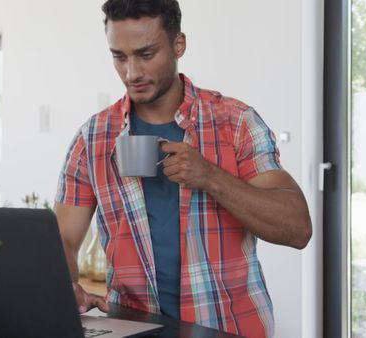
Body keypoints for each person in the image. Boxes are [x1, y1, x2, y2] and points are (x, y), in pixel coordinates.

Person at [54, 1, 312, 337]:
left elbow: (297, 228)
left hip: (230, 328)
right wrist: (65, 283)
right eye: (119, 56)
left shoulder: (236, 123)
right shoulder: (93, 139)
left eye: (146, 54)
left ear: (179, 45)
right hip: (134, 329)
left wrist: (210, 177)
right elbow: (61, 237)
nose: (132, 73)